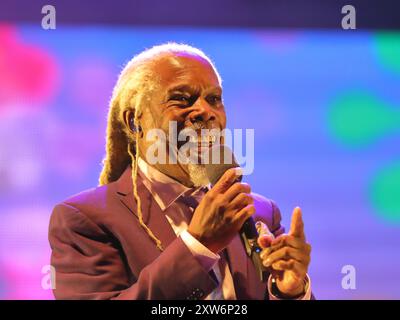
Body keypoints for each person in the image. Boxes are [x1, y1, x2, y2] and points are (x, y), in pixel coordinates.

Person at [49, 43, 312, 300]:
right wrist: (199, 245)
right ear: (134, 121)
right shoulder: (84, 220)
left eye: (214, 99)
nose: (204, 111)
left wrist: (289, 291)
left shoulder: (259, 213)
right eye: (182, 99)